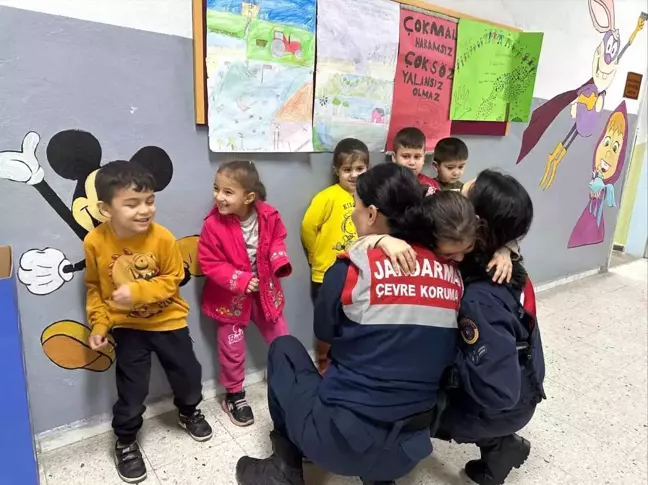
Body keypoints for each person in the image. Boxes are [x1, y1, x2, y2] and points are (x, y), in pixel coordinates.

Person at [235, 163, 479, 485]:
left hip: (341, 440)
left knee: (285, 350)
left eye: (356, 206)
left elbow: (326, 333)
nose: (352, 214)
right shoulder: (452, 274)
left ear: (372, 214)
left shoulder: (350, 270)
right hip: (409, 450)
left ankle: (285, 467)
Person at [371, 170, 546, 485]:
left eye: (473, 187)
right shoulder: (497, 259)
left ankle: (380, 472)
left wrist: (445, 363)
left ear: (476, 225)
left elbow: (498, 392)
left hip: (507, 402)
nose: (465, 185)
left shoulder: (480, 299)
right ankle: (501, 445)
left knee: (405, 401)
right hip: (523, 382)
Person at [84, 161, 212, 484]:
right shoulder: (95, 243)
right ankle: (125, 441)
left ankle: (188, 410)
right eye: (132, 203)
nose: (145, 210)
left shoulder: (163, 238)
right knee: (131, 388)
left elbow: (174, 278)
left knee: (188, 374)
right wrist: (99, 325)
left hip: (169, 320)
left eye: (150, 200)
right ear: (105, 209)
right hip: (127, 327)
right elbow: (95, 288)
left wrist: (139, 291)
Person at [198, 160, 292, 427]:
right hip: (230, 299)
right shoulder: (212, 225)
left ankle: (288, 382)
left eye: (228, 192)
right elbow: (210, 262)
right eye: (216, 189)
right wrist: (238, 279)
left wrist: (278, 260)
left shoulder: (269, 215)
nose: (219, 197)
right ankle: (234, 394)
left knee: (282, 338)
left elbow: (278, 238)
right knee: (232, 349)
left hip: (265, 292)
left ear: (248, 196)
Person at [301, 138, 369, 373]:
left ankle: (348, 361)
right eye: (347, 170)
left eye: (359, 169)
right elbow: (308, 227)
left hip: (359, 273)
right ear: (336, 171)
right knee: (327, 321)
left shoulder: (369, 197)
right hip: (327, 271)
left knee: (352, 319)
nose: (353, 175)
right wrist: (314, 255)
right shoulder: (327, 197)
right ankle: (323, 363)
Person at [391, 127, 440, 194]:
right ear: (394, 157)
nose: (412, 162)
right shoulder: (386, 185)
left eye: (417, 157)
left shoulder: (432, 186)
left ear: (424, 158)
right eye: (405, 156)